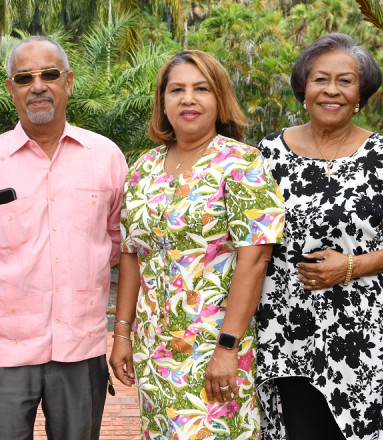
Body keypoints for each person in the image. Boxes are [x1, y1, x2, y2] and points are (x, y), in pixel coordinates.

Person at [255, 32, 383, 440]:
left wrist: (353, 267)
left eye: (346, 81)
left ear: (361, 94)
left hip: (375, 334)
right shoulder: (267, 154)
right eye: (321, 79)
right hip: (290, 332)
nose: (332, 90)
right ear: (303, 88)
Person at [0, 36, 128, 440]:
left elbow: (117, 244)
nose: (38, 85)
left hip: (81, 348)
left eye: (49, 74)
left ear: (68, 81)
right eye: (24, 77)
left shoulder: (106, 157)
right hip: (1, 351)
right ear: (11, 88)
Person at [109, 50, 285, 439]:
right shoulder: (144, 168)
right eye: (177, 90)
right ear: (163, 102)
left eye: (200, 88)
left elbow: (254, 262)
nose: (188, 99)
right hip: (154, 350)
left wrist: (227, 348)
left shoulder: (242, 163)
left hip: (214, 348)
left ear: (219, 98)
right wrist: (122, 334)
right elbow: (131, 254)